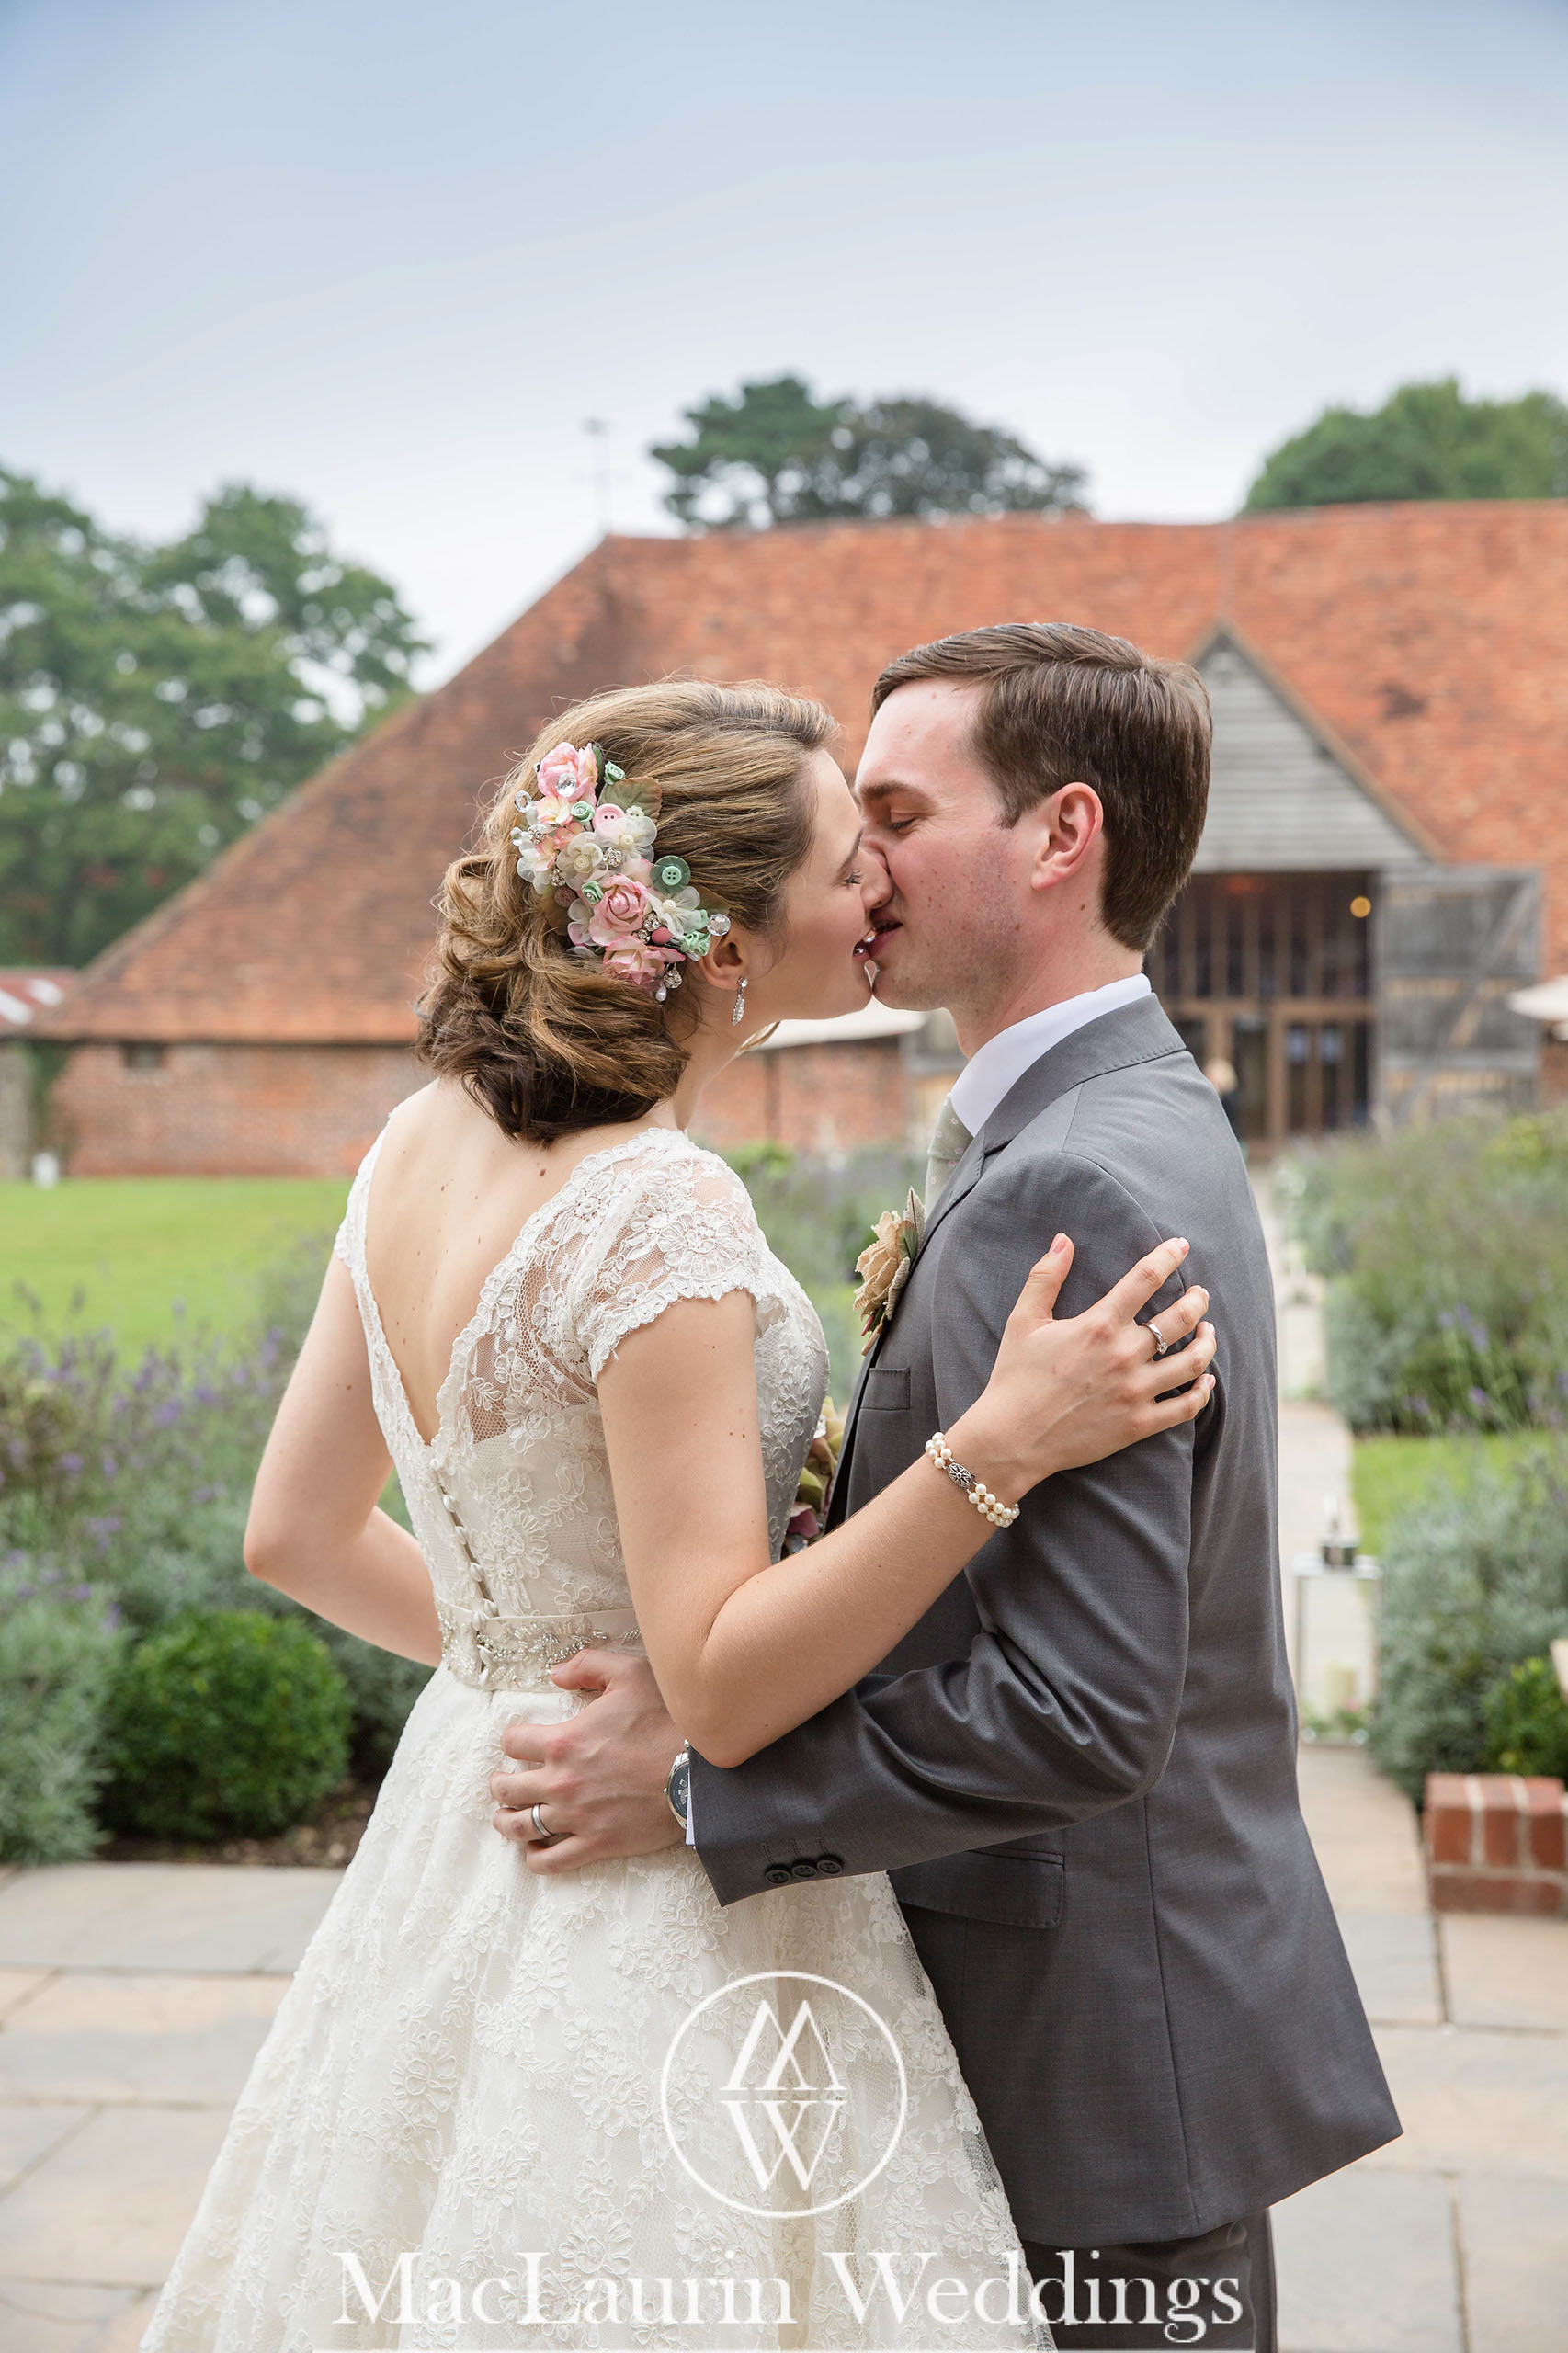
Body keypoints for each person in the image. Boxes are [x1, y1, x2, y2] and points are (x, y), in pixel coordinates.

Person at [138, 678, 1219, 2352]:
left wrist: (528, 1673)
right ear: (722, 939)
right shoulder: (659, 1204)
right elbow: (716, 1689)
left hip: (467, 1818)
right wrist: (998, 1445)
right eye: (849, 862)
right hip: (650, 1905)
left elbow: (298, 1531)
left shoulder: (416, 1142)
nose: (879, 893)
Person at [489, 630, 1402, 2353]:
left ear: (1060, 838)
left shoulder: (1075, 1171)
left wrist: (696, 1788)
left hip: (1096, 2067)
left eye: (897, 812)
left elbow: (1077, 1709)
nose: (856, 858)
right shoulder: (1095, 1117)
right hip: (1113, 2023)